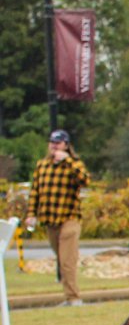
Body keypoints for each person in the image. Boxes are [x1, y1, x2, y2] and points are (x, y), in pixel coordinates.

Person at [23, 129, 91, 306]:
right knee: (62, 260)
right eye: (52, 142)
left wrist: (67, 161)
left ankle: (74, 298)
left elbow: (85, 180)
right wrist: (31, 214)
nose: (54, 146)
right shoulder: (42, 165)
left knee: (67, 261)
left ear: (66, 146)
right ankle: (69, 296)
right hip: (50, 220)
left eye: (58, 143)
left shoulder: (73, 164)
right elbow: (35, 192)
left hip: (69, 218)